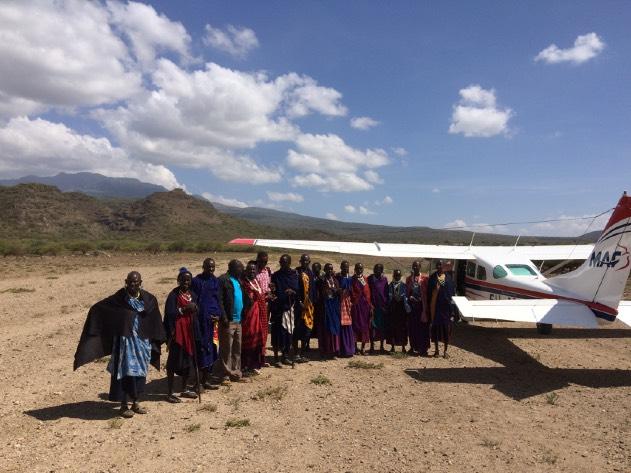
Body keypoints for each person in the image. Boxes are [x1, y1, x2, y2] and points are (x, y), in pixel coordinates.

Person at [74, 271, 165, 418]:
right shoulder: (118, 299)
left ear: (141, 283)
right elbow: (100, 308)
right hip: (124, 344)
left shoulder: (149, 300)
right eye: (130, 282)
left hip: (142, 344)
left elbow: (154, 319)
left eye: (136, 282)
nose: (133, 285)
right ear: (126, 282)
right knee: (124, 373)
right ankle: (123, 404)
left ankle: (135, 402)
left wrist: (158, 338)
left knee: (140, 374)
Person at [209, 259, 250, 384]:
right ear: (233, 268)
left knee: (237, 349)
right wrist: (224, 317)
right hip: (228, 320)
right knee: (226, 349)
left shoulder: (238, 281)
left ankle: (236, 373)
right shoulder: (223, 280)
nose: (242, 270)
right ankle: (225, 375)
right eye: (240, 268)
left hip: (238, 320)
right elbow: (219, 300)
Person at [164, 268, 199, 403]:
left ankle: (184, 389)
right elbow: (169, 313)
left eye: (188, 280)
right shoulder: (173, 295)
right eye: (183, 280)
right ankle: (170, 392)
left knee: (188, 362)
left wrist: (195, 308)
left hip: (189, 333)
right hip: (177, 334)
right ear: (179, 281)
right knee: (173, 362)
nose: (186, 282)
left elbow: (197, 310)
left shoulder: (192, 294)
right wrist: (184, 309)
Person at [191, 258, 220, 387]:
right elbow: (192, 299)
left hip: (213, 322)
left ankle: (207, 378)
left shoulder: (216, 281)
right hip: (200, 321)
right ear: (203, 266)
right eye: (208, 267)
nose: (211, 269)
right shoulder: (196, 281)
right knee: (201, 349)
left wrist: (218, 315)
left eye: (213, 267)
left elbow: (218, 300)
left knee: (212, 348)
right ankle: (199, 381)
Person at [270, 254, 299, 367]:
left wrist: (292, 292)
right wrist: (274, 294)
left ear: (289, 263)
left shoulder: (293, 275)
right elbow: (272, 291)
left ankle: (285, 356)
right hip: (278, 308)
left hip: (289, 307)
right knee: (277, 333)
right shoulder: (276, 275)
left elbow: (297, 290)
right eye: (281, 262)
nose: (282, 264)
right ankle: (276, 357)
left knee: (288, 333)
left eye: (285, 262)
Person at [241, 261, 266, 374]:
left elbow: (260, 296)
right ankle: (246, 365)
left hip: (259, 315)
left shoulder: (256, 281)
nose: (252, 271)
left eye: (254, 270)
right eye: (250, 269)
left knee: (258, 339)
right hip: (250, 316)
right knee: (249, 339)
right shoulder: (244, 283)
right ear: (246, 271)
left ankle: (256, 364)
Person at [427, 260, 456, 358]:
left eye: (441, 265)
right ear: (436, 266)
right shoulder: (432, 278)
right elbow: (428, 293)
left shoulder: (449, 278)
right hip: (435, 307)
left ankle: (445, 351)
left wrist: (452, 311)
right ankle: (436, 350)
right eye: (438, 265)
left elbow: (452, 294)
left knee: (446, 329)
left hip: (446, 309)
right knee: (435, 328)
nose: (439, 266)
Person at [317, 263, 341, 358]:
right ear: (325, 270)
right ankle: (325, 350)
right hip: (325, 307)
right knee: (326, 329)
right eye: (328, 269)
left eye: (331, 269)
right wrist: (327, 292)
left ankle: (334, 350)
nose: (330, 271)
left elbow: (338, 291)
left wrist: (338, 291)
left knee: (334, 328)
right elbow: (320, 293)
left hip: (334, 306)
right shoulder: (322, 280)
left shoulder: (335, 280)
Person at [407, 260, 430, 357]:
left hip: (422, 306)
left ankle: (423, 348)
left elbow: (428, 293)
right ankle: (413, 347)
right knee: (412, 327)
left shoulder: (425, 279)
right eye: (414, 266)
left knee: (423, 328)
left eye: (417, 266)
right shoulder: (409, 279)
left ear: (420, 267)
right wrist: (410, 297)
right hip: (412, 306)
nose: (415, 268)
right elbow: (407, 292)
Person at [295, 254, 315, 361]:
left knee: (306, 330)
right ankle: (295, 353)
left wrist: (312, 303)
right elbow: (295, 288)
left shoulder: (310, 273)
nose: (305, 262)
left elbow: (313, 290)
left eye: (307, 261)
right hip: (299, 306)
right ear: (300, 261)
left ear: (309, 262)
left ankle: (302, 353)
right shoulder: (296, 272)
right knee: (297, 329)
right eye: (303, 260)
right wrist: (298, 301)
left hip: (309, 307)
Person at [255, 251, 273, 367]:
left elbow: (268, 287)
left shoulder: (268, 271)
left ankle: (262, 357)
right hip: (256, 306)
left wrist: (270, 292)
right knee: (257, 331)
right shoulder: (253, 272)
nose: (263, 263)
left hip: (266, 305)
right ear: (257, 260)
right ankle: (255, 358)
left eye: (265, 261)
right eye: (261, 261)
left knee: (265, 331)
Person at [351, 262, 372, 355]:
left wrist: (369, 304)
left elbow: (367, 292)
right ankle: (355, 347)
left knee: (364, 326)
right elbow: (351, 291)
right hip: (355, 306)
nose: (359, 270)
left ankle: (363, 348)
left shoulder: (365, 279)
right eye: (358, 268)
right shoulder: (352, 279)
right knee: (355, 326)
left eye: (361, 268)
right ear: (355, 269)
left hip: (364, 307)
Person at [367, 264, 388, 354]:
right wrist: (370, 305)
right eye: (375, 269)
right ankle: (372, 346)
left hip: (382, 307)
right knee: (372, 327)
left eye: (379, 269)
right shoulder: (370, 279)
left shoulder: (384, 280)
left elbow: (386, 293)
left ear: (382, 270)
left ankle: (382, 347)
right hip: (373, 306)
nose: (377, 271)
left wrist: (386, 305)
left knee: (382, 327)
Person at [387, 269, 409, 353]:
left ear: (401, 276)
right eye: (395, 275)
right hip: (393, 310)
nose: (397, 277)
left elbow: (406, 296)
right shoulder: (390, 285)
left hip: (402, 311)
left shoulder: (404, 285)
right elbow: (388, 296)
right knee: (393, 328)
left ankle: (403, 347)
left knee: (403, 329)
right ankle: (392, 346)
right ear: (393, 276)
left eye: (398, 275)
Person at [336, 261, 355, 357]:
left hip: (347, 303)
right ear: (340, 267)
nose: (345, 269)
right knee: (340, 324)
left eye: (347, 267)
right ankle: (340, 349)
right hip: (339, 303)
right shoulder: (337, 277)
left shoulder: (350, 279)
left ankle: (349, 349)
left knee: (348, 324)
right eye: (344, 267)